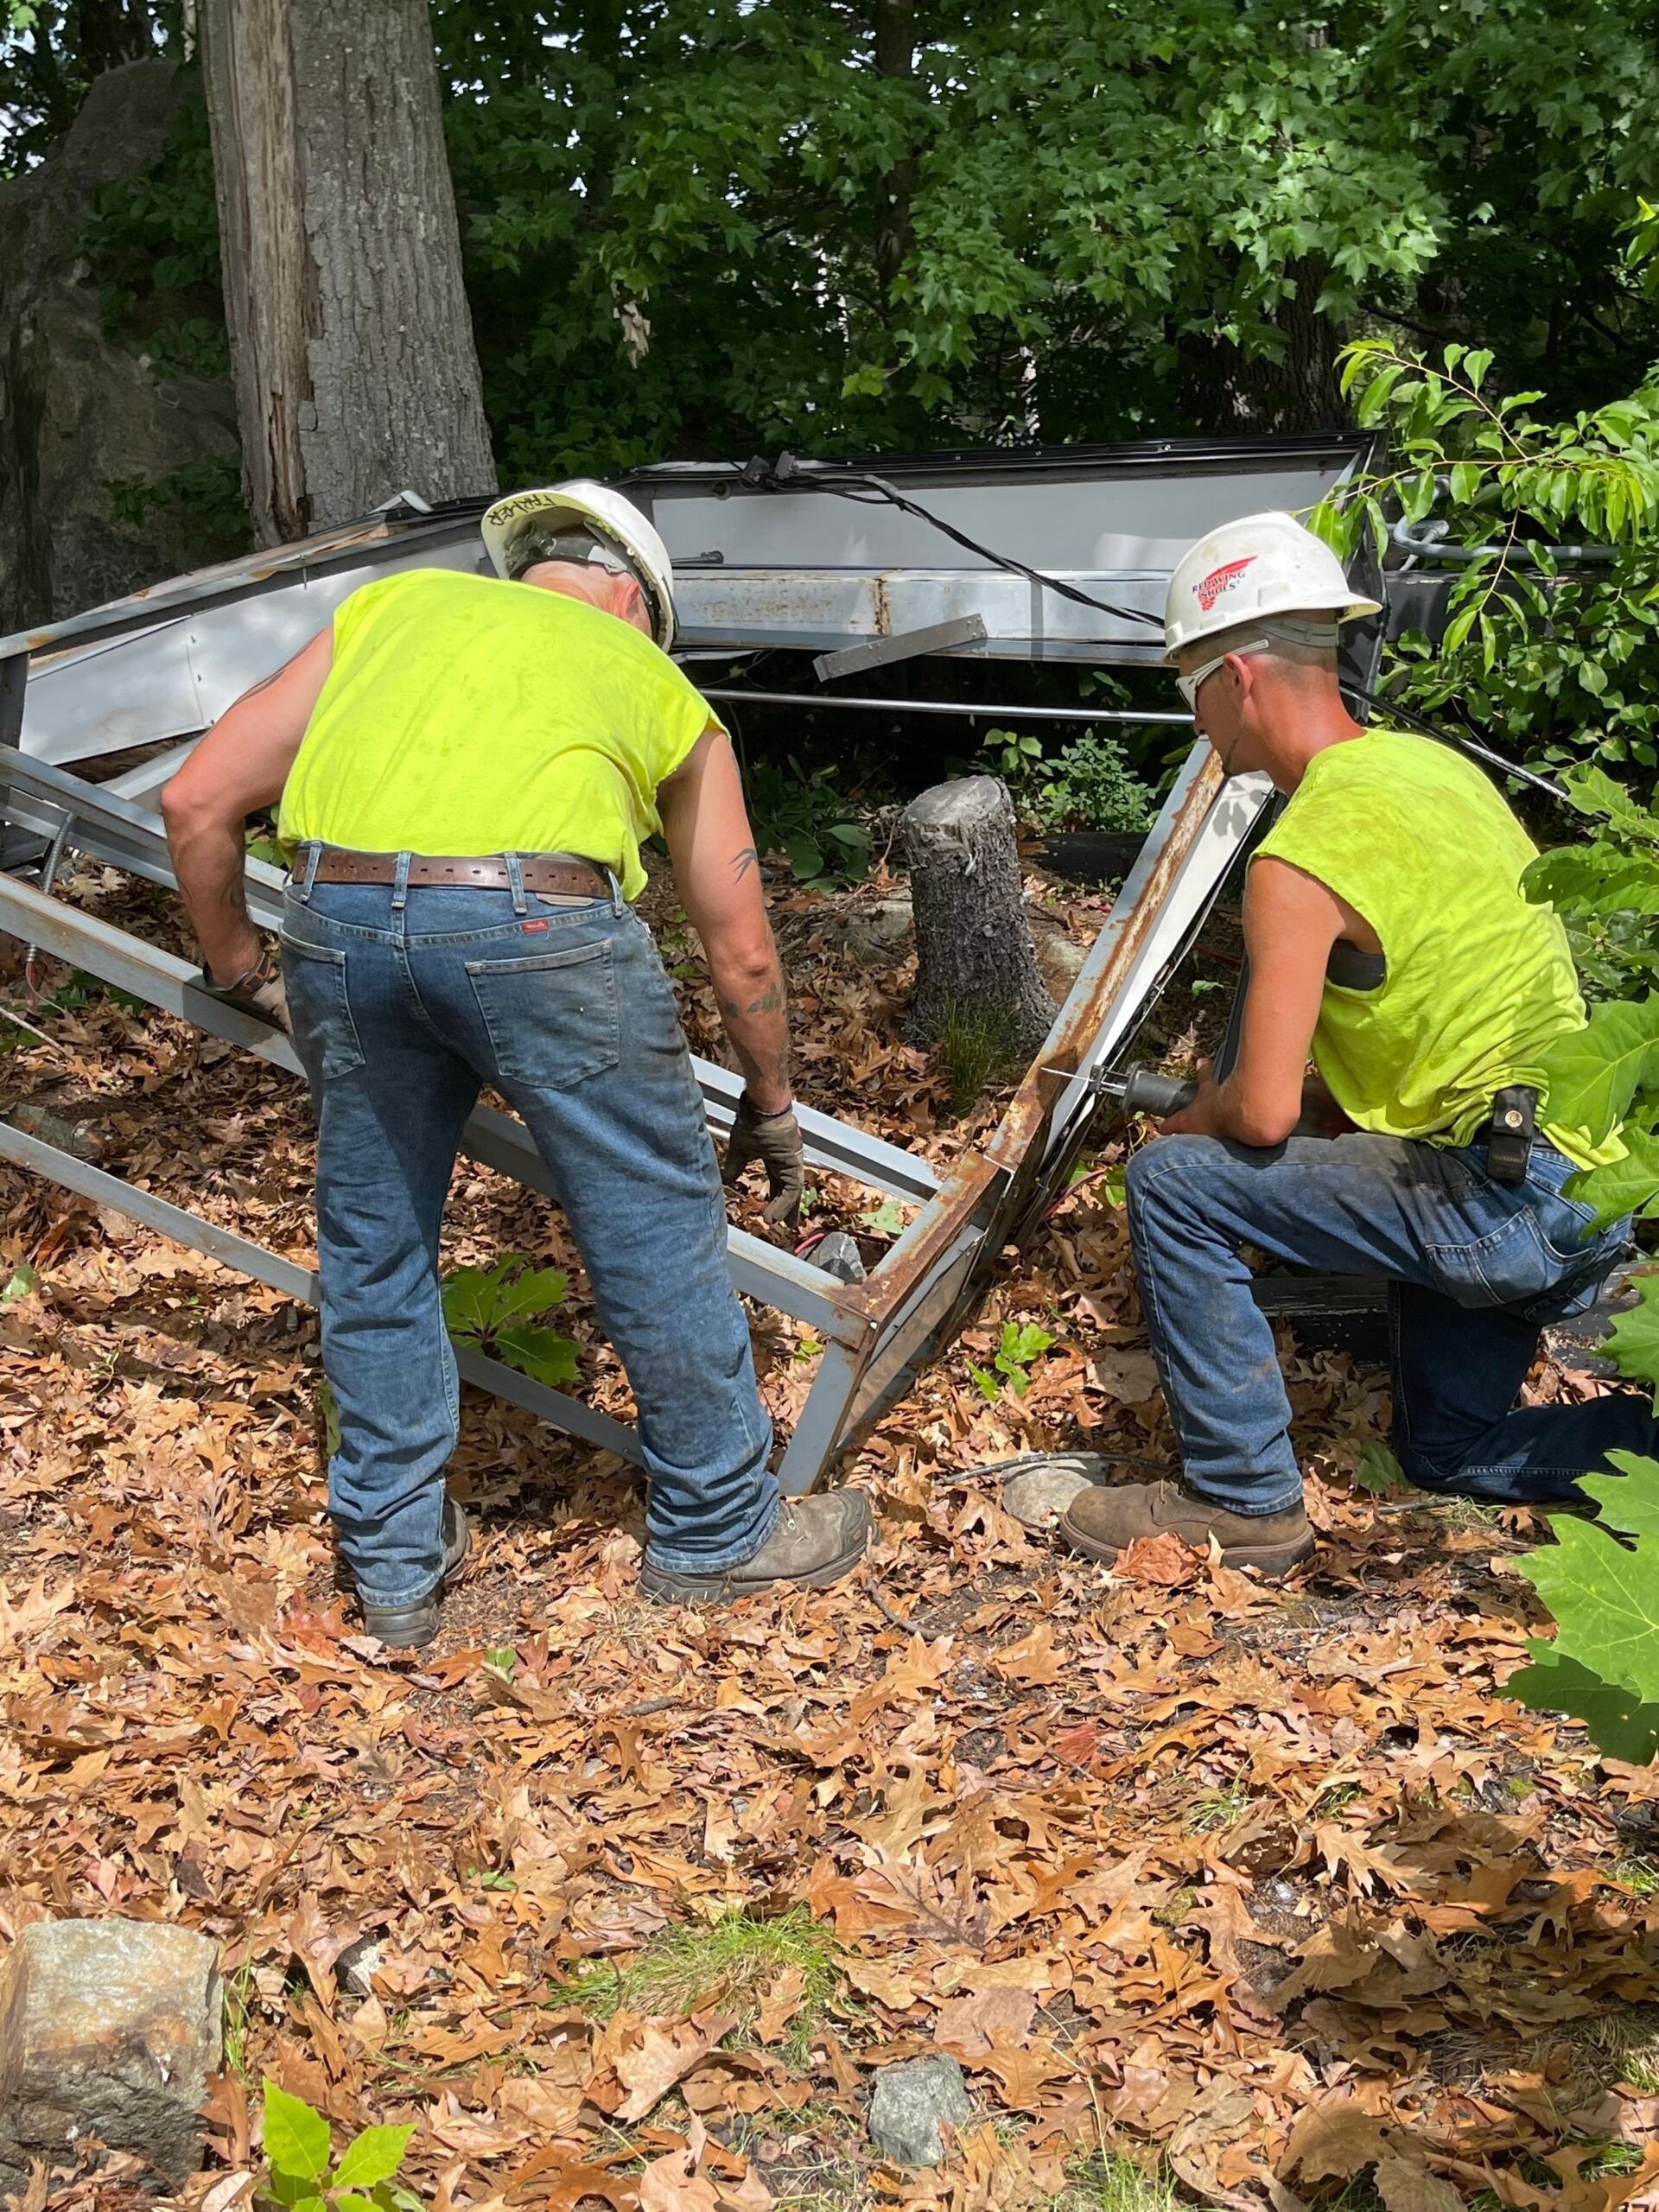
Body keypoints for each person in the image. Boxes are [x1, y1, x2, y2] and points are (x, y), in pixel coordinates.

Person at [160, 480, 871, 1644]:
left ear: (525, 571)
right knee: (649, 1216)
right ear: (633, 600)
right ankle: (719, 1528)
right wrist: (774, 1103)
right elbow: (739, 950)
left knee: (375, 1241)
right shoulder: (656, 683)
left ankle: (394, 1569)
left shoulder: (389, 612)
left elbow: (196, 803)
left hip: (336, 918)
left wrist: (240, 968)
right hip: (539, 926)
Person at [1058, 510, 1657, 1578]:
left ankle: (1241, 1499)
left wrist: (1200, 1112)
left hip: (1496, 1198)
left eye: (1189, 687)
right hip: (1590, 1180)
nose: (1194, 723)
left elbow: (1261, 1117)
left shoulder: (1298, 858)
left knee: (1174, 1183)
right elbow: (1435, 1007)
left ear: (1237, 676)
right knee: (1449, 1451)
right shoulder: (1438, 773)